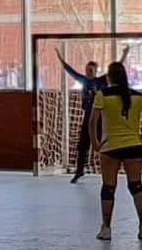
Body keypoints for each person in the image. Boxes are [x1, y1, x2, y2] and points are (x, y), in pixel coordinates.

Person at [89, 61, 142, 241]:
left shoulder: (102, 94)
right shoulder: (137, 96)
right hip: (133, 146)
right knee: (136, 186)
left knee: (108, 188)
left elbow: (92, 120)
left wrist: (95, 143)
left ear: (109, 77)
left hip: (110, 147)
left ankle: (106, 228)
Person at [56, 45, 130, 183]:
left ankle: (110, 168)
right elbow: (70, 70)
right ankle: (79, 171)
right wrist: (60, 58)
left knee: (105, 143)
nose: (88, 72)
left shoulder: (102, 80)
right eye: (87, 70)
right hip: (88, 116)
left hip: (101, 117)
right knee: (83, 144)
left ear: (96, 71)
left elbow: (116, 68)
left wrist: (124, 54)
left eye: (91, 71)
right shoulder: (83, 80)